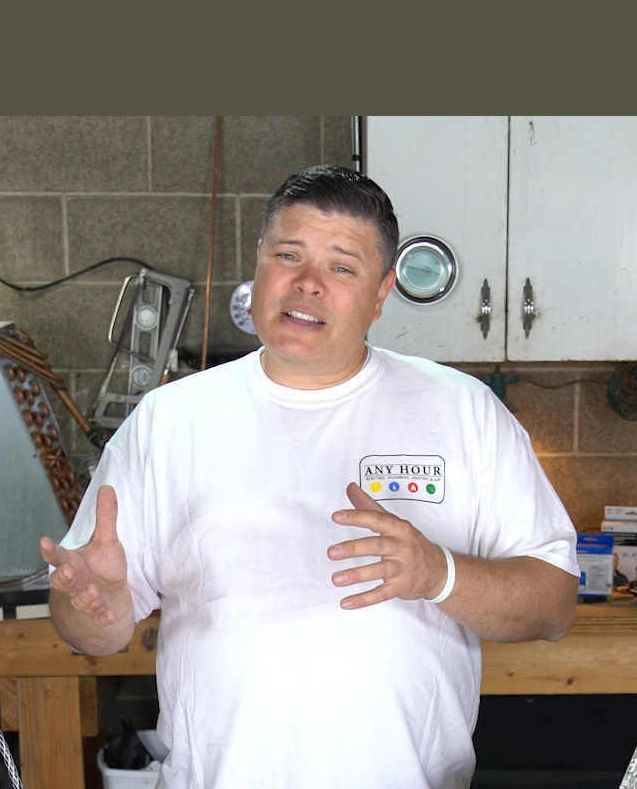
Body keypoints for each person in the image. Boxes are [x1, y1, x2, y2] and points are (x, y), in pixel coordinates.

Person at [38, 164, 578, 789]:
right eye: (288, 255)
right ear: (260, 266)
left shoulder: (462, 411)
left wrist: (438, 573)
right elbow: (92, 631)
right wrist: (94, 609)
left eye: (342, 266)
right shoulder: (170, 419)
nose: (308, 284)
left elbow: (555, 603)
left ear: (381, 295)